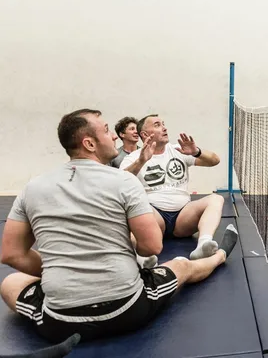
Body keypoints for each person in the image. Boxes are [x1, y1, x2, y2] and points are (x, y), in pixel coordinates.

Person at [0, 109, 231, 344]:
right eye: (108, 131)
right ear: (89, 143)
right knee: (182, 264)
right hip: (127, 309)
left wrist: (56, 270)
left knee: (10, 282)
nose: (114, 138)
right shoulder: (125, 179)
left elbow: (11, 254)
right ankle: (219, 256)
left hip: (60, 322)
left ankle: (206, 242)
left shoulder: (33, 187)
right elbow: (151, 246)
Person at [119, 114, 224, 261]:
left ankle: (203, 244)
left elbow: (214, 160)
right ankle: (142, 258)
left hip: (183, 218)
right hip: (154, 218)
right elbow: (120, 182)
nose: (164, 127)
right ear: (144, 134)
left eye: (163, 124)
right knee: (133, 210)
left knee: (216, 199)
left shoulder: (178, 150)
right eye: (157, 125)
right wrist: (141, 161)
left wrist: (196, 152)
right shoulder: (134, 157)